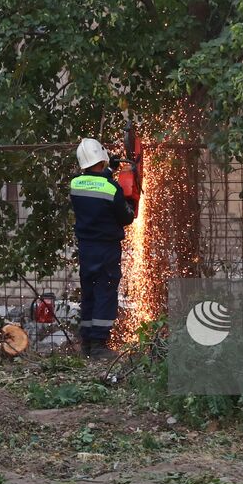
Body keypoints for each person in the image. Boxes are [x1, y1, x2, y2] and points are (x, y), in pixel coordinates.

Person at [70, 137, 138, 359]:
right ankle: (100, 344)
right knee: (105, 291)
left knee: (89, 291)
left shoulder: (75, 185)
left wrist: (109, 170)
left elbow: (94, 183)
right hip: (106, 248)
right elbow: (126, 217)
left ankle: (87, 342)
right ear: (102, 159)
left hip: (86, 248)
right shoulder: (111, 188)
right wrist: (132, 204)